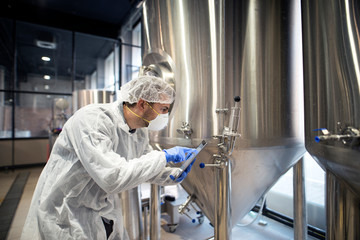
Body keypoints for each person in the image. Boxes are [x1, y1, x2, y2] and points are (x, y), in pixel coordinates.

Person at [21, 76, 197, 240]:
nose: (165, 116)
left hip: (99, 207)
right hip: (65, 210)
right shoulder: (94, 120)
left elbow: (142, 166)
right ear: (142, 104)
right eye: (163, 109)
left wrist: (170, 174)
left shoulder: (139, 132)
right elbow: (113, 177)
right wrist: (164, 156)